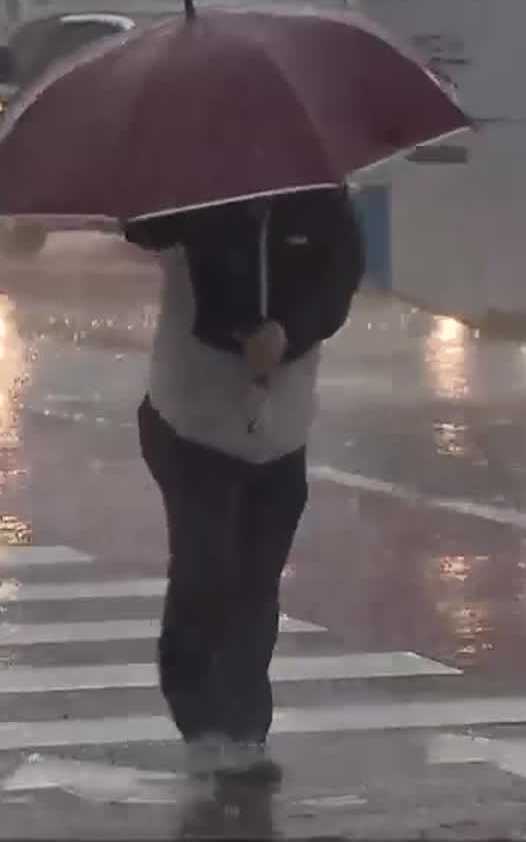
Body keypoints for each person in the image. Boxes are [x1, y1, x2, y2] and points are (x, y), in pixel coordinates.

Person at [124, 185, 365, 783]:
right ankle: (200, 718)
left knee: (257, 580)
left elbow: (338, 282)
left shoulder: (321, 199)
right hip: (191, 422)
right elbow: (143, 227)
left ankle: (246, 727)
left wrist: (288, 329)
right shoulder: (195, 191)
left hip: (280, 430)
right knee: (206, 569)